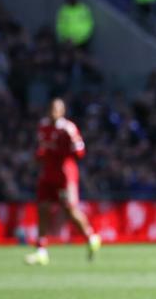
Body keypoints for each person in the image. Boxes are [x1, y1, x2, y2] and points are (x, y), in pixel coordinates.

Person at [25, 98, 100, 266]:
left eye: (56, 109)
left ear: (62, 111)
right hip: (47, 174)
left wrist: (69, 148)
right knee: (42, 208)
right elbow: (41, 148)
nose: (53, 112)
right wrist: (40, 156)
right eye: (51, 108)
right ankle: (41, 250)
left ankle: (90, 236)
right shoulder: (43, 125)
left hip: (64, 175)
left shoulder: (68, 128)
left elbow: (80, 151)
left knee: (69, 210)